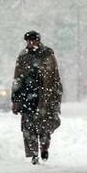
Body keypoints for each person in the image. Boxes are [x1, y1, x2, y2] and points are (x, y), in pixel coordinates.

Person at [11, 30, 63, 164]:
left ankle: (44, 147)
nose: (31, 43)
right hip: (27, 97)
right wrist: (15, 100)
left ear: (39, 41)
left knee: (44, 127)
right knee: (29, 128)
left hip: (44, 97)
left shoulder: (47, 54)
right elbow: (17, 78)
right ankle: (34, 154)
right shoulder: (23, 56)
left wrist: (56, 94)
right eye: (29, 41)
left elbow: (54, 76)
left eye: (33, 40)